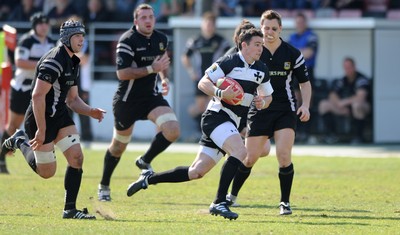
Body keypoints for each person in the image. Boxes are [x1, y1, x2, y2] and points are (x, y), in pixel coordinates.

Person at [126, 28, 273, 221]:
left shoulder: (261, 69)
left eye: (261, 45)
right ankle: (219, 202)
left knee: (196, 172)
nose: (260, 48)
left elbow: (268, 95)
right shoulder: (229, 61)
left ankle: (149, 179)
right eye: (256, 44)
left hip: (233, 122)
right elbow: (203, 82)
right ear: (244, 45)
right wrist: (220, 93)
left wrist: (263, 101)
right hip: (216, 116)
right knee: (240, 152)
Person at [2, 18, 105, 219]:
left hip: (60, 116)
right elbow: (37, 96)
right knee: (47, 172)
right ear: (67, 38)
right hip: (40, 118)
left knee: (77, 158)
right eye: (77, 36)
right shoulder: (53, 61)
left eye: (83, 36)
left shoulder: (74, 60)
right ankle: (20, 139)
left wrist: (90, 111)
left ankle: (70, 209)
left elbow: (73, 100)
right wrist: (41, 130)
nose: (82, 40)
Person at [227, 10, 312, 215]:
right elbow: (231, 71)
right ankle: (232, 196)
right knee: (249, 158)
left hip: (285, 109)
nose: (270, 32)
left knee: (283, 155)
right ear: (260, 28)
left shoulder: (292, 53)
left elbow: (304, 83)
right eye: (266, 28)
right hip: (260, 110)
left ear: (281, 29)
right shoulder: (252, 51)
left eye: (274, 28)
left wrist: (305, 105)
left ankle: (285, 202)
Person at [97, 3, 179, 202]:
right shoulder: (127, 40)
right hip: (127, 101)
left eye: (151, 16)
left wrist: (164, 79)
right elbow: (122, 73)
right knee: (118, 147)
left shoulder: (161, 38)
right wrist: (152, 69)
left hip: (151, 97)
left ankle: (145, 160)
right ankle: (104, 185)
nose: (148, 20)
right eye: (143, 17)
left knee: (172, 130)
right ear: (135, 21)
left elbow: (162, 62)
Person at [0, 12, 55, 174]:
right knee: (13, 125)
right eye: (40, 23)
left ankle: (41, 156)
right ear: (34, 26)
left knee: (41, 124)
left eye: (46, 23)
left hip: (40, 90)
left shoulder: (52, 42)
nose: (44, 27)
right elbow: (20, 62)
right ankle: (2, 157)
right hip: (22, 88)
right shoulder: (26, 41)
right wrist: (43, 64)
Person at [181, 11, 230, 140]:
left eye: (211, 24)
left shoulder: (220, 41)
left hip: (216, 79)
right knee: (200, 107)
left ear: (214, 25)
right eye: (207, 23)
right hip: (200, 79)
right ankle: (201, 132)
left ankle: (209, 133)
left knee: (212, 105)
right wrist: (192, 72)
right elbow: (185, 56)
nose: (209, 26)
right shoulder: (196, 40)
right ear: (203, 24)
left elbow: (230, 57)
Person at [318, 57, 371, 144]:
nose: (347, 69)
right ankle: (331, 136)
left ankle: (359, 137)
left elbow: (360, 97)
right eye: (345, 67)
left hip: (362, 107)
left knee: (357, 105)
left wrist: (344, 102)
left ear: (354, 67)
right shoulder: (343, 80)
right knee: (324, 104)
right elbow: (332, 94)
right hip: (344, 108)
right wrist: (338, 103)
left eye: (349, 67)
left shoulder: (361, 79)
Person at [288, 11, 318, 143]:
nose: (299, 24)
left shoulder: (312, 36)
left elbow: (309, 53)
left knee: (307, 102)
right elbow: (287, 53)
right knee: (295, 101)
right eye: (297, 22)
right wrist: (300, 51)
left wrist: (295, 52)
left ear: (305, 23)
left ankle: (309, 133)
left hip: (308, 71)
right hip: (293, 72)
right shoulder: (291, 37)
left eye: (301, 22)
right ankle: (298, 132)